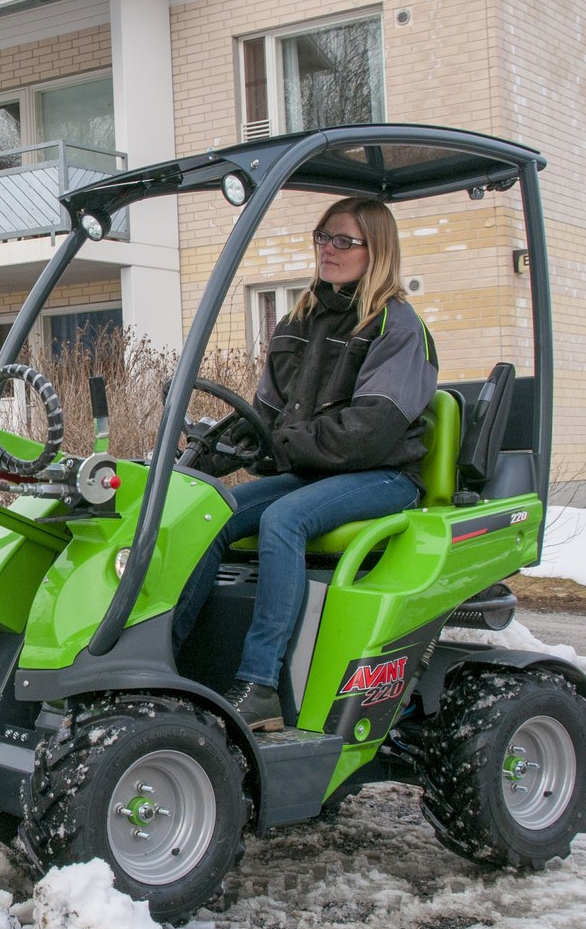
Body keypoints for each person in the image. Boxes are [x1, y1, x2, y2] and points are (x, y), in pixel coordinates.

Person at [172, 196, 438, 731]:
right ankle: (168, 662)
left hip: (383, 474)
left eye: (344, 241)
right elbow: (263, 416)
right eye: (323, 237)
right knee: (209, 513)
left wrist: (283, 446)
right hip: (320, 470)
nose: (328, 249)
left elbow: (369, 433)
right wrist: (197, 463)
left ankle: (261, 684)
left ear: (376, 249)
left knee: (282, 520)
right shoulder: (300, 320)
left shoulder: (396, 327)